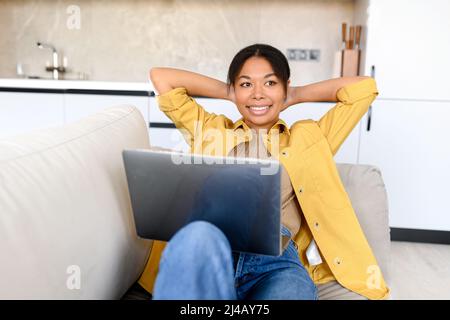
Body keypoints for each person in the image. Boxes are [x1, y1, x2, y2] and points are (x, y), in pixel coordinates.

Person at [139, 43, 390, 300]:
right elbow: (161, 77)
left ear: (285, 86)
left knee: (294, 292)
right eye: (246, 84)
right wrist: (230, 92)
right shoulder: (209, 128)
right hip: (211, 242)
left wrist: (294, 94)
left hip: (276, 257)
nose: (258, 94)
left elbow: (362, 89)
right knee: (194, 237)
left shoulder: (309, 138)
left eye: (270, 83)